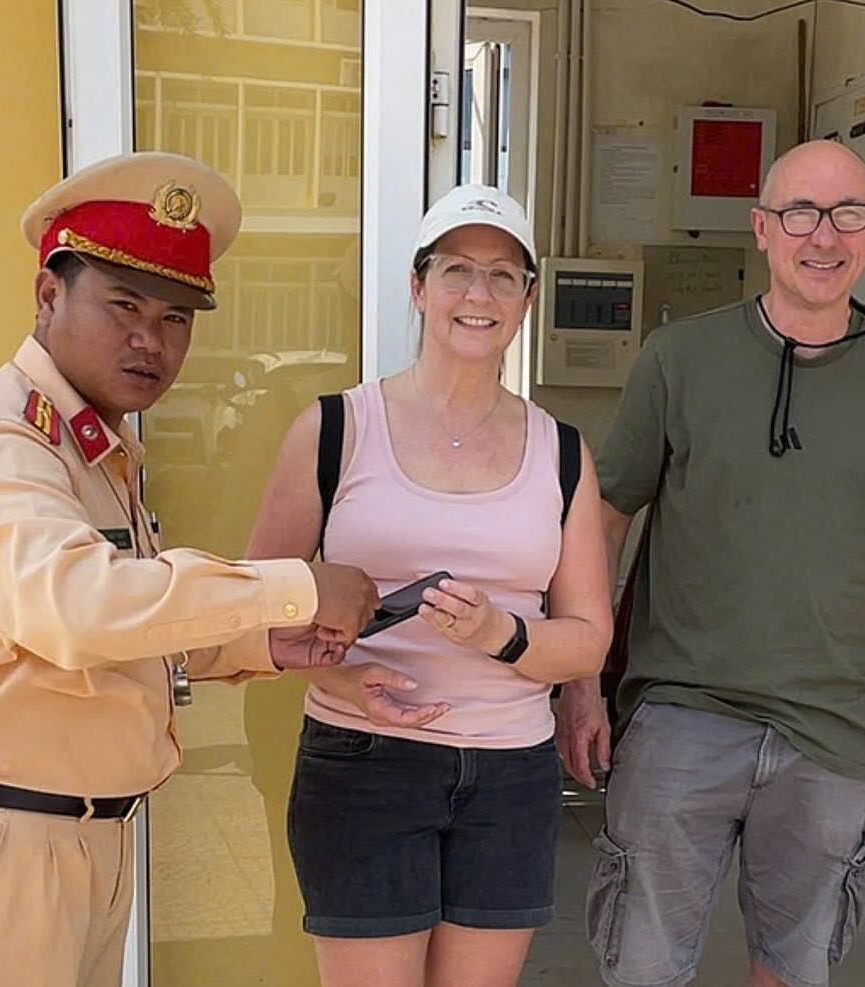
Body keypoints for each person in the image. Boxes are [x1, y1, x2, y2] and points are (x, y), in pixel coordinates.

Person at [0, 151, 380, 987]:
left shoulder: (91, 447)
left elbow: (120, 634)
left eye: (177, 316)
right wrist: (294, 584)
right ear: (48, 295)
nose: (151, 339)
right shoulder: (2, 440)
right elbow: (76, 608)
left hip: (78, 840)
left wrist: (263, 642)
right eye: (123, 306)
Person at [557, 139, 865, 987]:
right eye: (800, 214)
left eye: (846, 213)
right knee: (642, 969)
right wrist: (582, 682)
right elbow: (601, 519)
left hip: (829, 735)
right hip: (678, 717)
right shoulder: (679, 359)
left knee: (791, 973)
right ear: (761, 230)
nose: (824, 236)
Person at [245, 184, 613, 987]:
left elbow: (588, 634)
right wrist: (344, 676)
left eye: (502, 275)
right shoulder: (335, 429)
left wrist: (501, 636)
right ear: (418, 287)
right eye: (455, 270)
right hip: (361, 762)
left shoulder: (561, 453)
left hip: (509, 773)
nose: (476, 294)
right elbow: (255, 608)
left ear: (526, 297)